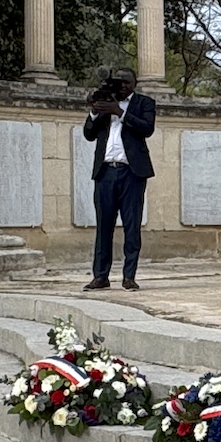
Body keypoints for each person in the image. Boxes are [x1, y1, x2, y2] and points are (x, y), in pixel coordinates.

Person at [82, 67, 157, 291]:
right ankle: (101, 275)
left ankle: (129, 276)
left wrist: (120, 112)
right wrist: (96, 111)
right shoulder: (106, 101)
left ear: (135, 84)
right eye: (119, 82)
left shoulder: (144, 103)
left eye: (127, 82)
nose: (122, 86)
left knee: (132, 225)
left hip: (131, 172)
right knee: (104, 226)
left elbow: (147, 128)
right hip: (105, 172)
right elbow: (89, 134)